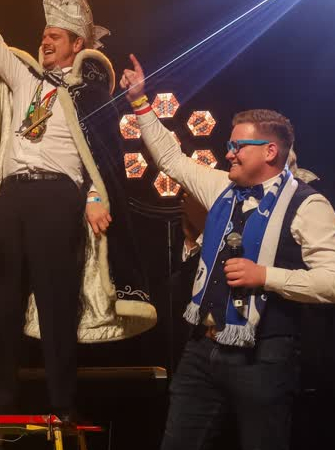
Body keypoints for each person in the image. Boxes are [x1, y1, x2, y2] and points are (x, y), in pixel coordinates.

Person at [120, 54, 335, 450]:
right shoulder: (221, 186)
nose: (230, 153)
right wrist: (139, 101)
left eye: (238, 146)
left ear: (270, 151)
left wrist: (265, 276)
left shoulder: (308, 205)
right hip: (202, 347)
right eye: (229, 145)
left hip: (264, 355)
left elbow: (332, 280)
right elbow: (170, 159)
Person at [0, 0, 154, 419]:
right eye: (44, 35)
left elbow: (102, 155)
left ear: (77, 44)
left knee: (57, 300)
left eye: (55, 36)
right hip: (13, 196)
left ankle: (62, 404)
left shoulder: (91, 92)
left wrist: (95, 196)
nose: (45, 41)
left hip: (58, 196)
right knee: (3, 302)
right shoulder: (24, 77)